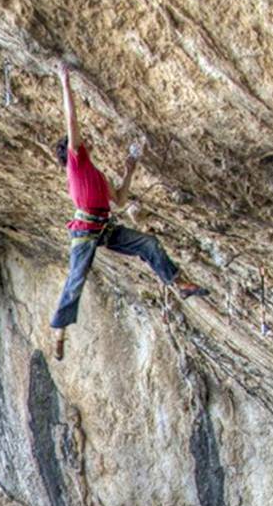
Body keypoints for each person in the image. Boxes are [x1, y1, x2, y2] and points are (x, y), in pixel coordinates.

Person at [49, 61, 205, 359]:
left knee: (148, 243)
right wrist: (64, 82)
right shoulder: (76, 164)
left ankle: (177, 282)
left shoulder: (97, 176)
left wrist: (129, 169)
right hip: (85, 230)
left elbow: (119, 200)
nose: (84, 141)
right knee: (76, 278)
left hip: (104, 228)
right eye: (79, 142)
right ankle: (59, 330)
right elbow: (71, 120)